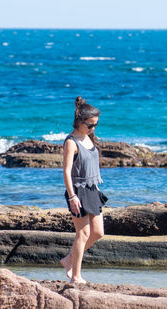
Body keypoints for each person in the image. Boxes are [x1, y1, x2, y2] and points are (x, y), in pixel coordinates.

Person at [60, 96, 107, 284]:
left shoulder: (88, 137)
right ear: (80, 122)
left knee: (98, 233)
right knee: (83, 234)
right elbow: (66, 171)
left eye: (95, 125)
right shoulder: (71, 142)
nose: (93, 128)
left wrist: (95, 186)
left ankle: (68, 260)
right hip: (77, 191)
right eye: (90, 125)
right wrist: (72, 196)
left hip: (92, 189)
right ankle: (76, 276)